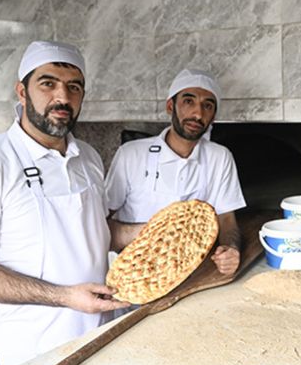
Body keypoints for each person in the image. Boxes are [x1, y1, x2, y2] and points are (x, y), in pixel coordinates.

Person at [0, 41, 131, 365]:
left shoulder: (87, 157)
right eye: (48, 83)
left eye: (74, 87)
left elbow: (97, 231)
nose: (62, 97)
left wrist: (157, 227)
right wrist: (64, 297)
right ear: (22, 91)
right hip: (24, 354)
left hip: (96, 339)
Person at [105, 69, 245, 275]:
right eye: (188, 101)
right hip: (135, 271)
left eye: (207, 106)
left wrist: (230, 249)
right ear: (170, 106)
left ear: (213, 116)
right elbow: (101, 219)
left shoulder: (220, 157)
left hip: (193, 269)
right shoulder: (130, 154)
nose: (198, 114)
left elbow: (226, 219)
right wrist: (153, 232)